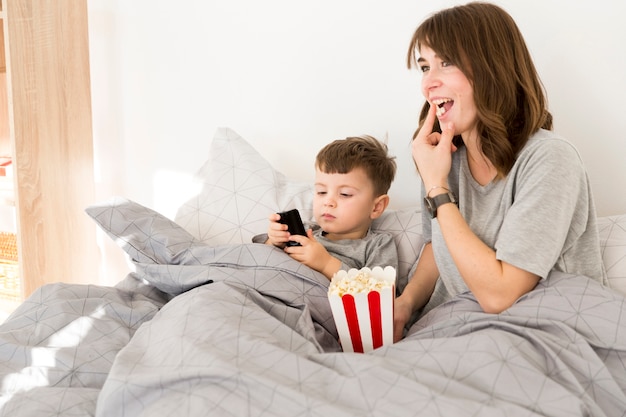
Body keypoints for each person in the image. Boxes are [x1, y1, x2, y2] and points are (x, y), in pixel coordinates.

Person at [394, 2, 608, 341]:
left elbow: (500, 295)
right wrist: (405, 305)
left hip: (544, 332)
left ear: (491, 67)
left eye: (445, 63)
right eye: (424, 67)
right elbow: (439, 247)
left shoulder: (550, 159)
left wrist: (437, 188)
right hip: (457, 326)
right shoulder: (445, 161)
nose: (428, 84)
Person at [256, 135, 398, 280]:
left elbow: (379, 291)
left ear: (376, 207)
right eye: (321, 192)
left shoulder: (377, 245)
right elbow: (260, 262)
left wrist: (326, 264)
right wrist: (273, 241)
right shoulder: (304, 230)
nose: (328, 202)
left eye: (345, 194)